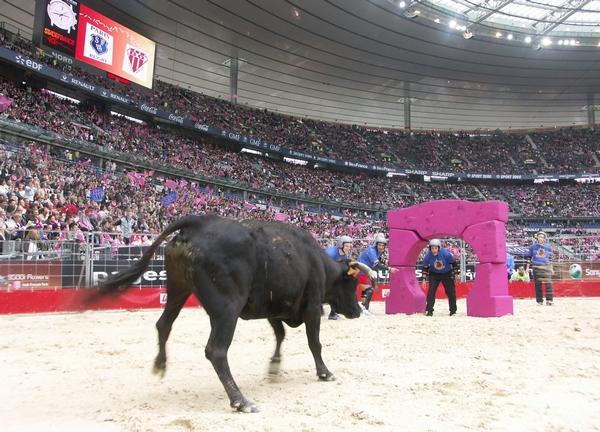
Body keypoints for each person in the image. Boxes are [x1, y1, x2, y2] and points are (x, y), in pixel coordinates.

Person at [358, 233, 394, 315]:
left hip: (365, 271)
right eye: (379, 245)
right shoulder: (372, 250)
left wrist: (386, 261)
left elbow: (380, 260)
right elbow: (377, 264)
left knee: (366, 291)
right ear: (376, 244)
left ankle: (364, 308)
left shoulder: (378, 251)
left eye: (383, 245)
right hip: (361, 270)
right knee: (369, 290)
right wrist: (389, 268)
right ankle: (364, 310)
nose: (381, 247)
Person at [422, 239, 458, 316]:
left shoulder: (446, 254)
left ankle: (453, 311)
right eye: (432, 248)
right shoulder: (427, 256)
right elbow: (425, 267)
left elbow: (454, 263)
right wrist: (424, 279)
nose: (434, 250)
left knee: (451, 292)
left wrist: (456, 274)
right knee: (431, 291)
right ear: (430, 248)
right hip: (434, 274)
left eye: (435, 248)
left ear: (439, 248)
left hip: (447, 273)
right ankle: (429, 311)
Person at [324, 235, 354, 320]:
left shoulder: (345, 254)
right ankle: (332, 314)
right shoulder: (331, 253)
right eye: (347, 246)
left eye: (349, 246)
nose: (348, 248)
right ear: (341, 245)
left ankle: (333, 314)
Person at [526, 231, 554, 306]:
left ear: (544, 238)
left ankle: (549, 300)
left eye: (542, 237)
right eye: (539, 236)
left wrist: (551, 268)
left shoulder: (548, 247)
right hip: (536, 266)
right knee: (538, 285)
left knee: (549, 284)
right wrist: (527, 267)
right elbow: (529, 258)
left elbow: (550, 259)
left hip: (546, 266)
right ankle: (539, 301)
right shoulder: (532, 247)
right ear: (537, 238)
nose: (541, 238)